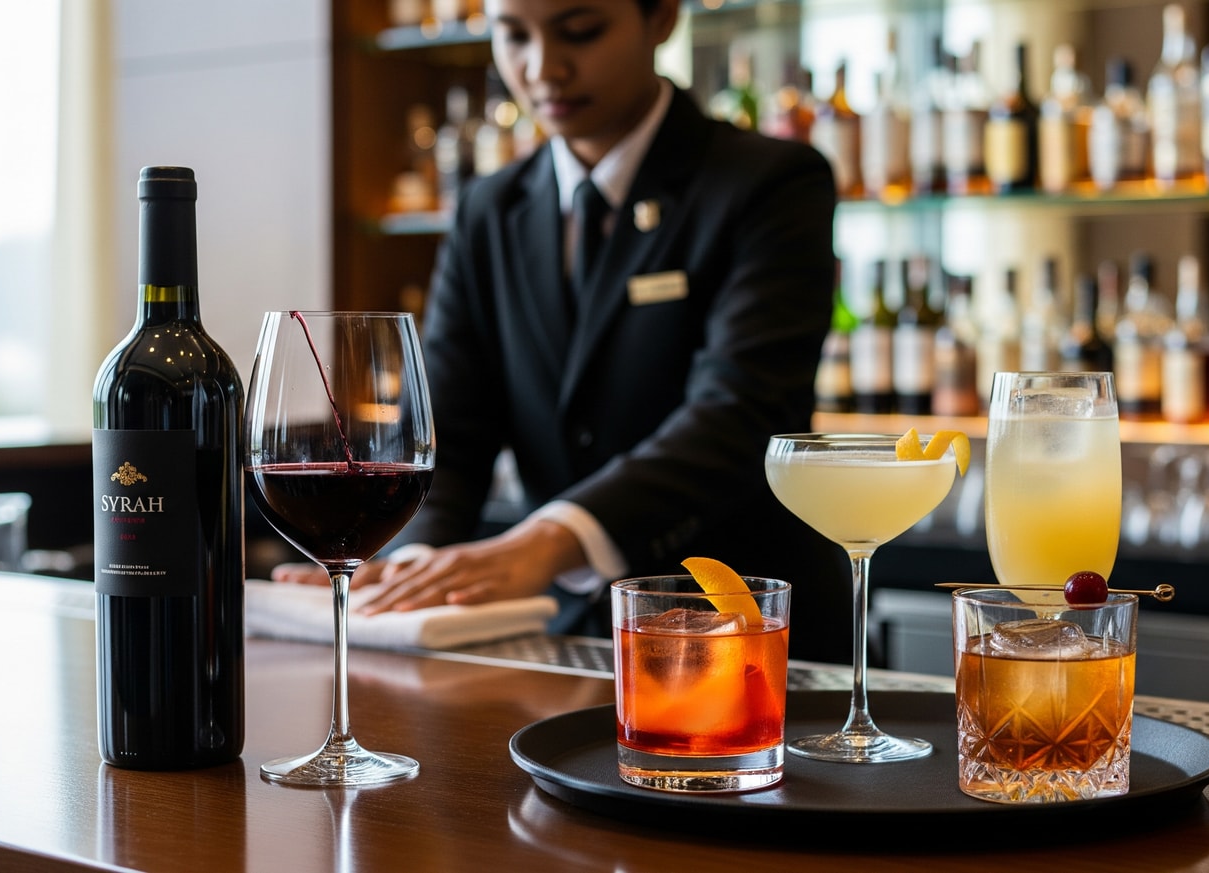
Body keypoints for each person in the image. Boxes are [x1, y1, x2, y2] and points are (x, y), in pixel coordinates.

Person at [275, 0, 851, 663]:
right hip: (559, 641)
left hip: (750, 632)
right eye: (513, 34)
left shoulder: (770, 182)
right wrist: (412, 570)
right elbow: (449, 434)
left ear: (661, 18)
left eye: (580, 31)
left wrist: (546, 543)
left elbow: (740, 413)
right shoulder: (489, 209)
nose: (542, 68)